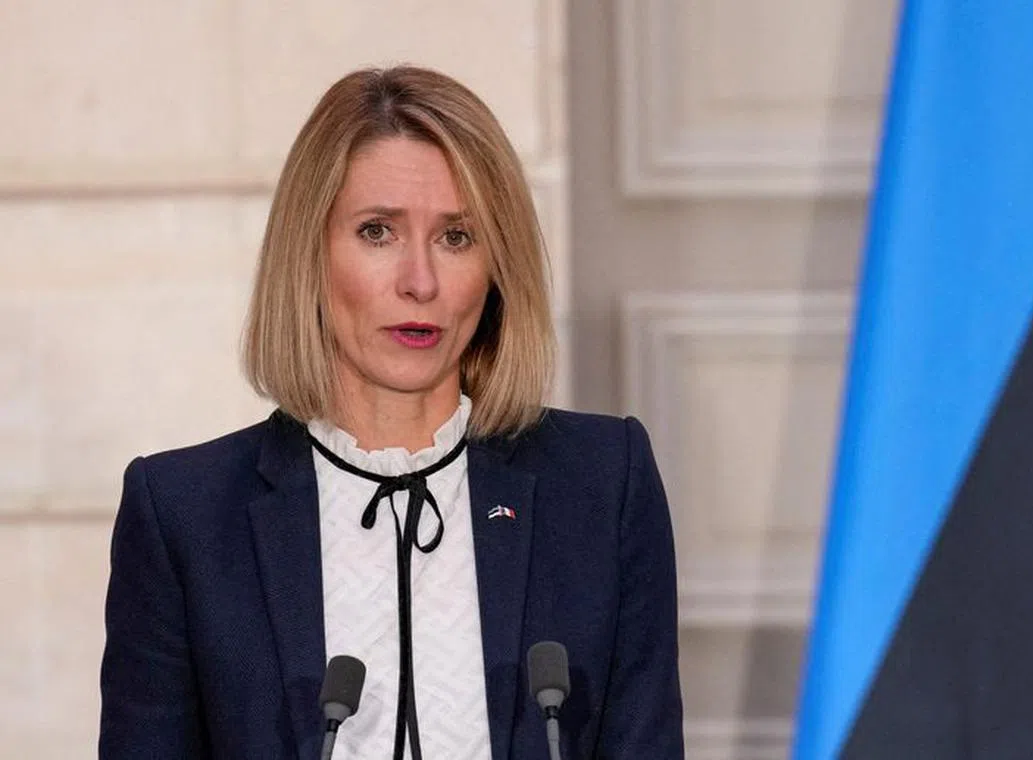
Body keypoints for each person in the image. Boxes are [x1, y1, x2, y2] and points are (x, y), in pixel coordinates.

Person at [99, 66, 683, 760]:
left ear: (498, 268)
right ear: (308, 253)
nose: (420, 281)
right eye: (377, 232)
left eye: (456, 237)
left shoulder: (602, 484)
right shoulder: (184, 516)